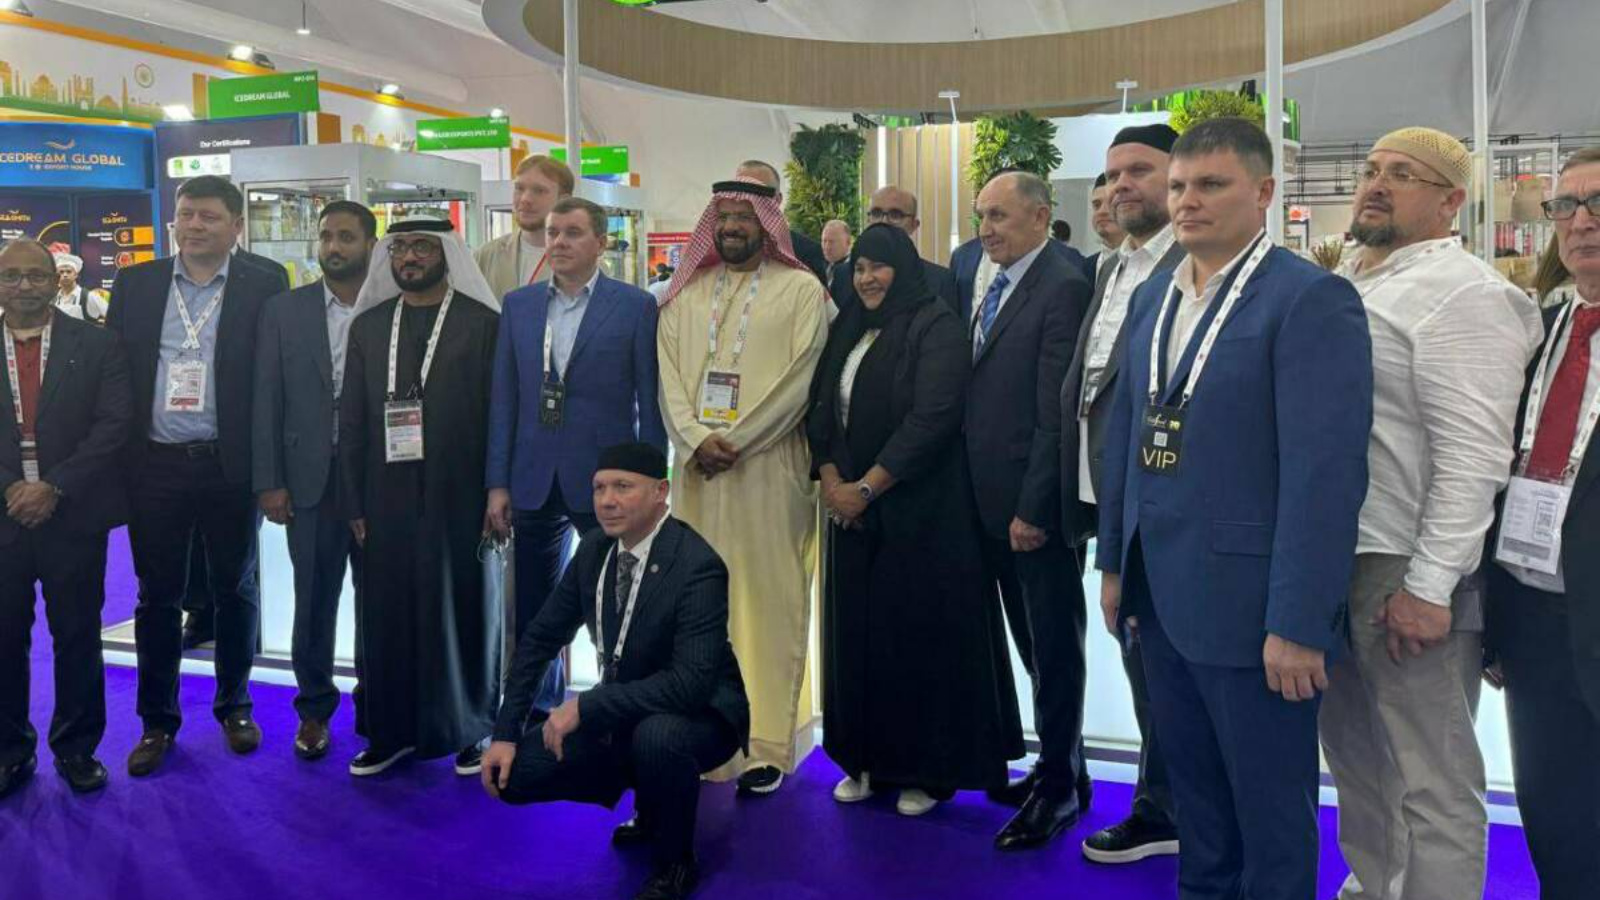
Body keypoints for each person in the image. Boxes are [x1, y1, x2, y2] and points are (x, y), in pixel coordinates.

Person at [1096, 118, 1372, 900]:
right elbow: (1126, 435)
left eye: (1211, 185)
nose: (1188, 201)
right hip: (1159, 592)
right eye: (1180, 186)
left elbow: (1325, 476)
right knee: (1199, 810)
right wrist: (1114, 563)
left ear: (1263, 192)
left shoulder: (1309, 299)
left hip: (1255, 612)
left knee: (1270, 819)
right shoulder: (1154, 295)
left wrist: (1300, 621)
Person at [1320, 127, 1541, 900]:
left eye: (1404, 176)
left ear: (1451, 203)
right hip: (1337, 555)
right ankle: (1374, 884)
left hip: (1405, 563)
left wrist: (1430, 585)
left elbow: (1474, 457)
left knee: (1432, 776)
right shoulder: (1355, 280)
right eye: (1372, 169)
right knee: (1356, 760)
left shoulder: (1466, 295)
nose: (1378, 184)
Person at [808, 223, 1023, 816]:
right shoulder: (850, 326)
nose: (867, 279)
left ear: (903, 268)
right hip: (851, 515)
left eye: (879, 267)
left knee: (914, 642)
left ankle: (924, 771)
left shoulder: (936, 325)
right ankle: (865, 760)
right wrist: (833, 483)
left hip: (921, 516)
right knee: (857, 640)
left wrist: (867, 489)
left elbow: (932, 419)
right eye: (859, 268)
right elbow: (821, 409)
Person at [484, 442, 748, 900]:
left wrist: (587, 706)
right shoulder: (594, 550)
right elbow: (540, 639)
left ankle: (675, 864)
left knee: (657, 738)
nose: (607, 501)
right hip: (624, 710)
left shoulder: (698, 565)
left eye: (623, 487)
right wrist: (505, 732)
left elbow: (689, 685)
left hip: (701, 715)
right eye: (599, 488)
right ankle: (649, 799)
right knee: (513, 776)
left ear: (661, 492)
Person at [108, 175, 288, 777]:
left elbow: (273, 379)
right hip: (155, 464)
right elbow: (116, 376)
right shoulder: (136, 283)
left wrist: (271, 467)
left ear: (236, 226)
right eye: (186, 214)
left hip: (228, 464)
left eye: (208, 217)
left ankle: (235, 705)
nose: (193, 226)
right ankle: (157, 721)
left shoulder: (265, 282)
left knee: (235, 588)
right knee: (157, 595)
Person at [656, 176, 828, 795]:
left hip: (768, 471)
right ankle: (706, 736)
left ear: (766, 223)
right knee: (698, 607)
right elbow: (668, 378)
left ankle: (767, 745)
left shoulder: (802, 291)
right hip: (698, 474)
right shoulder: (684, 294)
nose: (731, 226)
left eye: (743, 216)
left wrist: (737, 441)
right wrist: (695, 438)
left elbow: (801, 381)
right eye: (723, 216)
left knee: (767, 601)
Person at [486, 196, 667, 713]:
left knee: (616, 605)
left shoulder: (634, 306)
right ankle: (534, 710)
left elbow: (649, 398)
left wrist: (653, 484)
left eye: (572, 232)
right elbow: (504, 399)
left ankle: (617, 707)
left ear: (601, 242)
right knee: (536, 609)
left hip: (608, 480)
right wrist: (497, 482)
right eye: (552, 233)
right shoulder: (518, 306)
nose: (559, 242)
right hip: (533, 475)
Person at [338, 217, 502, 778]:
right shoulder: (369, 327)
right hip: (383, 497)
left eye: (422, 248)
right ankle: (390, 732)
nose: (409, 257)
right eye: (401, 247)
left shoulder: (482, 324)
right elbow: (352, 420)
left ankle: (469, 728)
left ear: (447, 254)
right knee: (385, 613)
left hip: (461, 494)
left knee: (461, 608)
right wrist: (354, 501)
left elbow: (499, 417)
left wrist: (496, 490)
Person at [1062, 123, 1186, 866]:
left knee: (1165, 668)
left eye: (1139, 170)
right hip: (1102, 497)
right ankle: (1164, 802)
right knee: (1142, 661)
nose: (1120, 187)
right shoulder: (1114, 267)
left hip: (1159, 504)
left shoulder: (1189, 267)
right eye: (1111, 176)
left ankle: (1168, 809)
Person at [962, 171, 1093, 850]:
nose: (987, 229)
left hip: (1030, 511)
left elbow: (1055, 414)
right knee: (1032, 648)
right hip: (988, 503)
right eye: (981, 216)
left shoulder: (1062, 285)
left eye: (1000, 216)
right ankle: (1065, 767)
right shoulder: (983, 277)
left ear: (1041, 217)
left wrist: (1035, 508)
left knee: (1054, 649)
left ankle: (1059, 789)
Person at [1484, 145, 1600, 900]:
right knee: (1556, 820)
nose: (1581, 221)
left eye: (1599, 204)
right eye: (1567, 206)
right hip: (1534, 614)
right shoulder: (1542, 329)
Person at [0, 238, 132, 798]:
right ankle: (9, 751)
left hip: (73, 512)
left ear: (57, 280)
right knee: (4, 639)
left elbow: (114, 424)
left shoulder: (97, 344)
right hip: (4, 515)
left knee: (77, 636)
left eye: (36, 275)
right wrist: (11, 489)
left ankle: (77, 749)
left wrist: (54, 486)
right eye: (11, 276)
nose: (24, 286)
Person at [252, 200, 377, 761]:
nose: (334, 246)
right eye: (326, 236)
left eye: (346, 237)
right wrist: (270, 481)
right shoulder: (284, 310)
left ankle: (378, 704)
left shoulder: (392, 305)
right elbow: (266, 399)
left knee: (380, 600)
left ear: (370, 244)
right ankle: (314, 711)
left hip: (379, 483)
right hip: (309, 481)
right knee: (314, 600)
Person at [828, 186, 958, 314]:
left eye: (896, 215)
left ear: (914, 225)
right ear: (868, 219)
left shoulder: (940, 281)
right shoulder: (843, 277)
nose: (884, 221)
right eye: (876, 213)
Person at [475, 155, 576, 301]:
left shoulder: (585, 263)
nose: (525, 199)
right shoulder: (486, 256)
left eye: (539, 191)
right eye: (519, 188)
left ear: (563, 201)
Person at [732, 160, 830, 283]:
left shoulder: (807, 253)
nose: (747, 201)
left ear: (777, 200)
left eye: (757, 195)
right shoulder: (724, 249)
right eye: (740, 193)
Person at [1085, 172, 1130, 283]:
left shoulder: (1148, 264)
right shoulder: (1083, 267)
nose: (1102, 211)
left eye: (1111, 203)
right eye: (1097, 205)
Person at [52, 253, 107, 325]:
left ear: (76, 275)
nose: (65, 275)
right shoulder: (53, 300)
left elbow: (112, 315)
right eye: (61, 272)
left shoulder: (88, 296)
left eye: (69, 272)